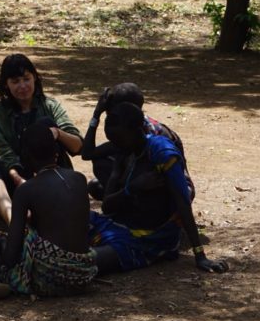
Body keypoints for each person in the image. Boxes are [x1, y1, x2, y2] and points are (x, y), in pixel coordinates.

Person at [0, 123, 97, 299]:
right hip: (84, 274)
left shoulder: (26, 190)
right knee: (2, 242)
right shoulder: (79, 179)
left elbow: (12, 254)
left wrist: (2, 256)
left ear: (25, 157)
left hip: (47, 278)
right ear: (56, 152)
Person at [89, 102, 227, 274]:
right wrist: (130, 185)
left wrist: (200, 255)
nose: (115, 145)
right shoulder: (125, 153)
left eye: (118, 139)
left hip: (147, 240)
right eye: (112, 139)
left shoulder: (162, 153)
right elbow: (107, 207)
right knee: (74, 216)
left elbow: (182, 203)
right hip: (116, 226)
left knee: (83, 262)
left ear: (136, 130)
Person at [0, 54, 83, 225]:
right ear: (6, 85)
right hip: (18, 180)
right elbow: (6, 155)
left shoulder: (49, 106)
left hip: (52, 178)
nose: (22, 86)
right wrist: (20, 180)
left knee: (45, 123)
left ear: (35, 78)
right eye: (15, 81)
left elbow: (78, 147)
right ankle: (13, 220)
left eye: (26, 79)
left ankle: (49, 207)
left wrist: (57, 133)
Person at [81, 83, 194, 201]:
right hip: (146, 185)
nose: (110, 116)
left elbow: (161, 180)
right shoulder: (131, 130)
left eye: (111, 112)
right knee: (97, 181)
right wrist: (96, 114)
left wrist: (123, 186)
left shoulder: (154, 138)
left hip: (171, 192)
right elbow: (88, 154)